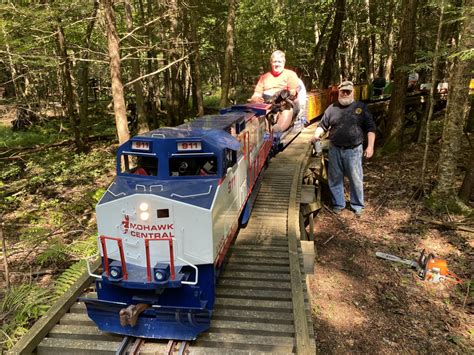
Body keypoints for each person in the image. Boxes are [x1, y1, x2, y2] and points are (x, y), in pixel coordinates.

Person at [310, 80, 376, 217]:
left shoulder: (361, 107)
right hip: (335, 149)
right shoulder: (331, 108)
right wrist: (316, 135)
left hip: (354, 150)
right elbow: (322, 125)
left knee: (355, 178)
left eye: (348, 91)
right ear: (339, 92)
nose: (345, 94)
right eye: (343, 91)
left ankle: (357, 206)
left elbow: (371, 128)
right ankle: (338, 204)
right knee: (334, 178)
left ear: (353, 92)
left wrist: (370, 147)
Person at [250, 50, 299, 132]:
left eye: (279, 62)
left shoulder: (291, 74)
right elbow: (256, 94)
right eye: (274, 62)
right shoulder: (264, 77)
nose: (277, 64)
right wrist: (256, 98)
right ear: (271, 63)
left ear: (283, 62)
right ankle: (263, 130)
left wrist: (281, 95)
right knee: (254, 110)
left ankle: (277, 131)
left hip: (284, 102)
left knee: (287, 107)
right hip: (267, 103)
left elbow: (293, 92)